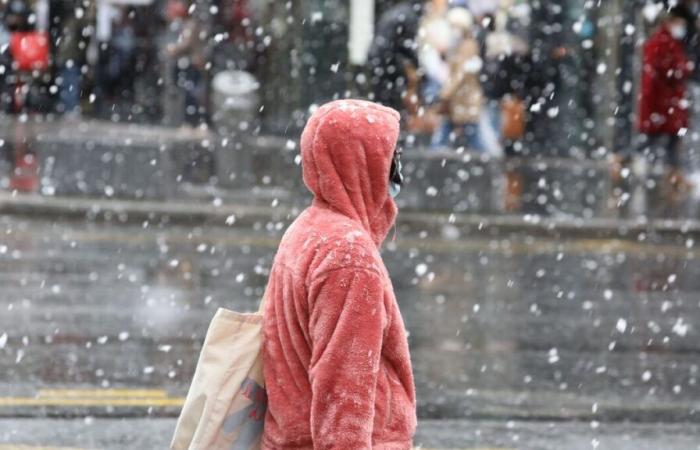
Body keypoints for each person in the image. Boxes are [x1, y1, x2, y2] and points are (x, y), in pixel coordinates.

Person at [261, 99, 417, 449]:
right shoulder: (349, 255)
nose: (397, 172)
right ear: (363, 163)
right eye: (391, 158)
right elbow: (344, 389)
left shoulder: (308, 229)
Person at [637, 6, 694, 202]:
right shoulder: (663, 43)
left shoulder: (666, 42)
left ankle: (671, 177)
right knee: (658, 142)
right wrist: (684, 68)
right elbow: (670, 70)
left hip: (665, 106)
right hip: (663, 105)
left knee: (665, 143)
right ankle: (665, 177)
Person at [433, 7, 486, 151]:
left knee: (475, 138)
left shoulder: (467, 46)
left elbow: (459, 74)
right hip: (458, 101)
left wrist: (445, 94)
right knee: (446, 134)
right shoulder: (458, 45)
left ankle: (492, 167)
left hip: (465, 100)